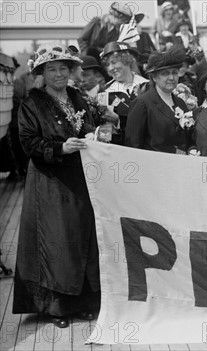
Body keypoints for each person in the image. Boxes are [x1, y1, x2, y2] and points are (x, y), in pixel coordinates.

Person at [13, 44, 99, 328]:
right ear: (41, 73)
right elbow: (28, 143)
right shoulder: (32, 104)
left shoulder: (77, 97)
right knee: (57, 241)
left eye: (64, 68)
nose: (59, 74)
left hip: (80, 178)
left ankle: (85, 302)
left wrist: (96, 135)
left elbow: (88, 126)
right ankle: (58, 308)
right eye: (52, 69)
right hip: (50, 182)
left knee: (83, 238)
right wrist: (60, 147)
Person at [126, 47, 190, 153]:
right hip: (155, 166)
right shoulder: (142, 104)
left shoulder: (180, 102)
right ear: (154, 77)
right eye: (165, 73)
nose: (171, 77)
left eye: (174, 72)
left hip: (180, 165)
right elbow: (133, 145)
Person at [101, 41, 148, 143]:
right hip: (121, 149)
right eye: (107, 64)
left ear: (127, 60)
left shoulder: (147, 86)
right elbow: (104, 133)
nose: (110, 68)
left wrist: (120, 120)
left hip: (148, 148)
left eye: (113, 62)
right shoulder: (105, 92)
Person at [78, 2, 144, 57]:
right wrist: (86, 53)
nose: (120, 22)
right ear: (111, 15)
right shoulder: (96, 22)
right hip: (89, 58)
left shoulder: (117, 31)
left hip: (104, 59)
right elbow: (81, 38)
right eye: (120, 19)